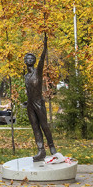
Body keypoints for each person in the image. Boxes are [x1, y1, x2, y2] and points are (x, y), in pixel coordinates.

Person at [24, 34, 57, 162]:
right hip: (31, 105)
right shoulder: (26, 76)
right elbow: (31, 90)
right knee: (35, 127)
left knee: (44, 125)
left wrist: (45, 45)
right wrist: (27, 101)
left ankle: (52, 146)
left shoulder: (37, 71)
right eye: (27, 58)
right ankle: (40, 150)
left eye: (32, 58)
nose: (29, 59)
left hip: (39, 103)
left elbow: (43, 58)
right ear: (25, 61)